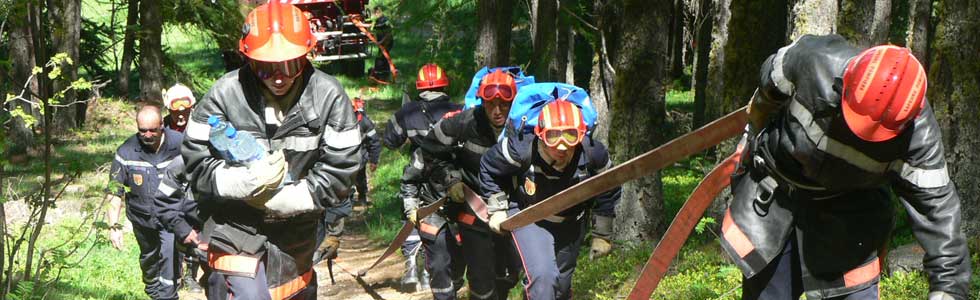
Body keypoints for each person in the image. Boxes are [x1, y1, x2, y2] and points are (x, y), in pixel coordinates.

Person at [722, 34, 971, 300]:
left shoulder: (919, 138)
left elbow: (940, 214)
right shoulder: (813, 58)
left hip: (849, 220)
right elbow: (768, 85)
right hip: (776, 203)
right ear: (845, 83)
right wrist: (753, 135)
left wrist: (948, 289)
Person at [180, 2, 361, 299]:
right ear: (248, 60)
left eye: (290, 65)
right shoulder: (224, 94)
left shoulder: (328, 96)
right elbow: (195, 162)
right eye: (266, 68)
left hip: (297, 232)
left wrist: (290, 198)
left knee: (293, 290)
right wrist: (242, 184)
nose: (279, 77)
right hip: (233, 225)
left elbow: (342, 169)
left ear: (306, 56)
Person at [480, 99, 621, 300]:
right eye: (552, 137)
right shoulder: (519, 149)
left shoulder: (593, 153)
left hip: (571, 221)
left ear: (580, 135)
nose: (562, 146)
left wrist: (602, 233)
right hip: (528, 216)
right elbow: (488, 167)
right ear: (540, 134)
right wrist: (497, 208)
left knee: (560, 288)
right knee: (543, 278)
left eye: (570, 136)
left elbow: (610, 185)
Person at [419, 69, 522, 299]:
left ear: (513, 102)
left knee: (509, 273)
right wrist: (451, 180)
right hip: (473, 210)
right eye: (490, 104)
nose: (497, 111)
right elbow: (430, 149)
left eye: (504, 104)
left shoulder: (523, 126)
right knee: (481, 276)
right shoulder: (463, 123)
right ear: (482, 102)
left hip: (513, 211)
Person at [384, 63, 463, 294]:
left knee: (411, 216)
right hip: (456, 179)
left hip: (419, 173)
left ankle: (411, 268)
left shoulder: (407, 113)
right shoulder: (460, 110)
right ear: (445, 85)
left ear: (419, 87)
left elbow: (390, 141)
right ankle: (442, 275)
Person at [107, 102, 184, 300]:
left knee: (170, 257)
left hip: (172, 217)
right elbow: (115, 190)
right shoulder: (127, 151)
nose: (147, 135)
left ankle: (168, 296)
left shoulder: (180, 144)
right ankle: (153, 291)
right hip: (142, 218)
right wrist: (113, 226)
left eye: (152, 130)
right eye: (142, 131)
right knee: (150, 259)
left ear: (162, 126)